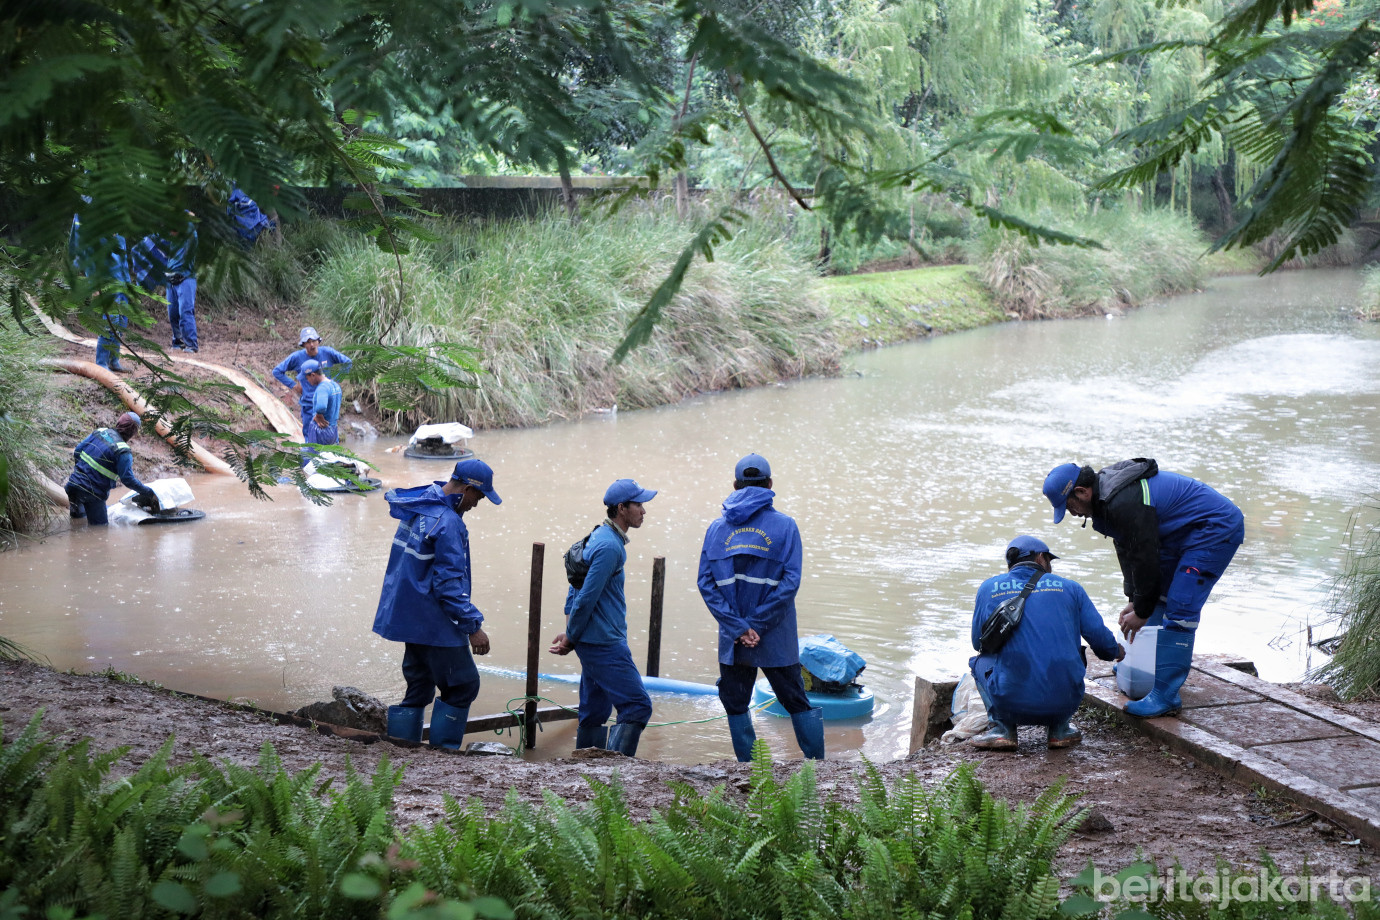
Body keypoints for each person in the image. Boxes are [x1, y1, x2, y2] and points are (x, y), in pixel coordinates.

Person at [1043, 459, 1245, 718]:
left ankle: (1165, 695)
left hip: (1213, 528)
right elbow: (1127, 550)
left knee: (1181, 607)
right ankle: (1140, 665)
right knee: (1158, 596)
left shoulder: (1124, 502)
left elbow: (1145, 556)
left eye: (1069, 505)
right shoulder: (1105, 500)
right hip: (1179, 531)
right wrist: (1135, 599)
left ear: (1082, 492)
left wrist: (1142, 609)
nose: (1072, 513)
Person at [697, 453, 823, 761]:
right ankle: (818, 771)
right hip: (774, 634)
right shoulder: (786, 527)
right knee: (795, 700)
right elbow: (790, 584)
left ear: (735, 485)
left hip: (735, 638)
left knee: (736, 702)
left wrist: (740, 628)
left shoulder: (716, 529)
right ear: (769, 484)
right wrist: (758, 625)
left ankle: (751, 775)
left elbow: (706, 584)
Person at [371, 459, 501, 749]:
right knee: (464, 685)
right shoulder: (448, 523)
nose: (476, 505)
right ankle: (445, 756)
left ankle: (401, 751)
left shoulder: (419, 506)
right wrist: (472, 626)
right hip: (436, 623)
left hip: (410, 619)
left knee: (419, 686)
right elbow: (448, 586)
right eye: (478, 497)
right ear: (467, 489)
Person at [969, 536, 1124, 750]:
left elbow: (978, 642)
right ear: (1041, 558)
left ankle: (1003, 729)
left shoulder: (989, 588)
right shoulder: (1071, 588)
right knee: (1073, 652)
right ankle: (1060, 730)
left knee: (978, 661)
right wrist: (1118, 651)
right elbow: (1102, 643)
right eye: (1049, 560)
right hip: (1064, 701)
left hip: (1011, 701)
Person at [549, 479, 657, 757]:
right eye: (638, 504)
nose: (643, 510)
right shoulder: (610, 547)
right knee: (636, 706)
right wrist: (571, 636)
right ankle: (615, 775)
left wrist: (571, 629)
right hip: (604, 642)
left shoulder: (598, 536)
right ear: (622, 508)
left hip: (590, 638)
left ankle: (585, 769)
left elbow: (576, 585)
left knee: (595, 708)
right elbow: (587, 597)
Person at [64, 412, 160, 525]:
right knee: (100, 529)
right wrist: (148, 492)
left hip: (73, 485)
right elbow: (128, 480)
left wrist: (81, 473)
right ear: (133, 432)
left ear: (119, 422)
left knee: (78, 521)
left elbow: (78, 451)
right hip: (93, 495)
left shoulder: (100, 432)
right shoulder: (123, 452)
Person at [70, 211, 131, 372]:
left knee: (122, 322)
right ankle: (101, 362)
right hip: (105, 284)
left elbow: (124, 265)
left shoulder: (120, 238)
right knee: (111, 321)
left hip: (122, 285)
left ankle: (113, 360)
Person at [273, 327, 352, 433]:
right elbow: (277, 371)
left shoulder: (328, 352)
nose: (311, 345)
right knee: (310, 435)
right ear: (303, 344)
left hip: (328, 403)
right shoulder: (297, 357)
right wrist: (293, 385)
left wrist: (335, 379)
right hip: (309, 404)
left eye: (314, 341)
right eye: (308, 342)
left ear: (318, 341)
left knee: (328, 434)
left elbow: (348, 363)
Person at [162, 215, 199, 352]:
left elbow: (189, 218)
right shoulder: (172, 240)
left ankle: (191, 344)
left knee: (185, 312)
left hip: (186, 280)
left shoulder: (190, 236)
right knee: (172, 313)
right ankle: (178, 342)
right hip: (171, 281)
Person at [301, 360, 342, 447]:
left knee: (315, 458)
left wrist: (319, 415)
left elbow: (321, 406)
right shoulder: (335, 385)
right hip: (333, 429)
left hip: (322, 431)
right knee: (331, 456)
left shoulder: (322, 388)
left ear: (313, 375)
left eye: (307, 378)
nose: (307, 381)